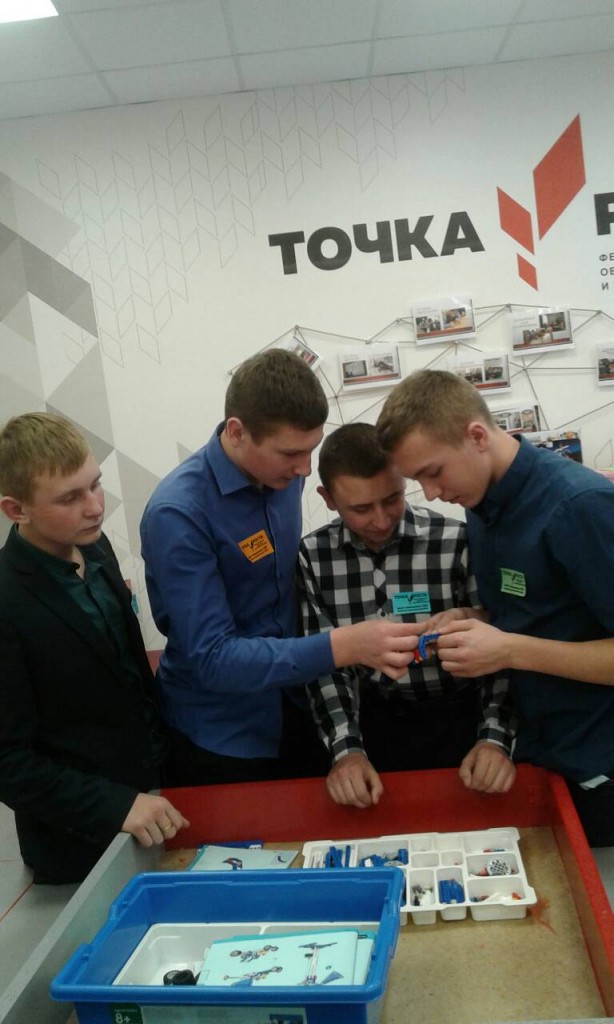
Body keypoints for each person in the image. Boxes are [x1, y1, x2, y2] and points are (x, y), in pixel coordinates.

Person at [140, 349, 420, 786]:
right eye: (290, 453)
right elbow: (212, 659)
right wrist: (343, 645)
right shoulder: (178, 514)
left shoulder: (285, 474)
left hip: (298, 709)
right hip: (222, 736)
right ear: (237, 432)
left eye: (311, 449)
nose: (304, 468)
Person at [376, 368, 614, 847]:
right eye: (417, 480)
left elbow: (523, 643)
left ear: (478, 436)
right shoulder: (482, 502)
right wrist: (477, 621)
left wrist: (507, 650)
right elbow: (541, 609)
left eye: (433, 472)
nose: (431, 494)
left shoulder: (580, 506)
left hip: (601, 768)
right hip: (543, 756)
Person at [0, 413, 188, 885]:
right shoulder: (6, 601)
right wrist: (116, 806)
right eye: (70, 498)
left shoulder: (95, 546)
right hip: (80, 847)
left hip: (157, 803)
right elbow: (9, 763)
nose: (94, 507)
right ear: (16, 509)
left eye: (95, 485)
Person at [298, 423, 515, 808]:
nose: (381, 520)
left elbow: (499, 651)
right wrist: (346, 751)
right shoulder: (313, 557)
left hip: (458, 721)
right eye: (361, 509)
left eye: (392, 498)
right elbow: (325, 667)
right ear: (327, 499)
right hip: (372, 725)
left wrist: (494, 738)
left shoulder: (455, 542)